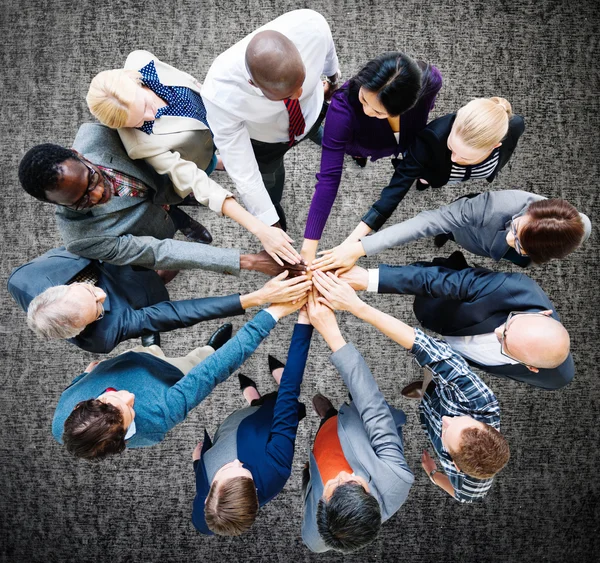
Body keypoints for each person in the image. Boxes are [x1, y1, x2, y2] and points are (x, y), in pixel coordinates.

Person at [86, 50, 300, 267]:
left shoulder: (141, 61)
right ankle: (188, 207)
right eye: (137, 122)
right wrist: (260, 229)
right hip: (192, 158)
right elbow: (198, 182)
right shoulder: (140, 145)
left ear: (136, 81)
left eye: (145, 106)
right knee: (197, 178)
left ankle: (216, 162)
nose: (150, 117)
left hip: (211, 126)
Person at [310, 271, 510, 503]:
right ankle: (426, 388)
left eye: (447, 431)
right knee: (434, 371)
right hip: (444, 390)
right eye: (459, 419)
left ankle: (425, 393)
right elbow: (429, 349)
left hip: (430, 415)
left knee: (430, 404)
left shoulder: (473, 487)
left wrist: (434, 474)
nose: (448, 419)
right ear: (486, 426)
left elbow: (460, 494)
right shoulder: (481, 402)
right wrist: (357, 306)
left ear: (455, 464)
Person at [18, 125, 305, 276]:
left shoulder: (99, 134)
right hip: (153, 227)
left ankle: (184, 214)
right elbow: (158, 252)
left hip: (167, 183)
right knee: (173, 227)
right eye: (80, 201)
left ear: (78, 154)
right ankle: (185, 224)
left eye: (91, 180)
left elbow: (163, 150)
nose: (97, 195)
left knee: (182, 198)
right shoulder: (79, 238)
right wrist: (251, 261)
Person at [53, 298, 306, 460]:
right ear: (121, 439)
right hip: (168, 375)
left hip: (128, 360)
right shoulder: (161, 415)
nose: (129, 395)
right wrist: (271, 314)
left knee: (145, 351)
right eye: (131, 410)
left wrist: (86, 374)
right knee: (198, 363)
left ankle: (152, 348)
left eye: (113, 397)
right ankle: (208, 349)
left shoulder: (62, 421)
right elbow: (211, 372)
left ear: (78, 406)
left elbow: (75, 385)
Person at [8, 246, 311, 354]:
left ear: (62, 288)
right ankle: (149, 311)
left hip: (106, 253)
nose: (101, 295)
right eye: (98, 309)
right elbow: (175, 313)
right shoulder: (102, 336)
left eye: (88, 290)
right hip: (136, 301)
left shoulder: (22, 279)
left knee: (165, 250)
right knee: (158, 289)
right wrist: (256, 297)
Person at [337, 254, 573, 390]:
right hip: (441, 307)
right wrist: (368, 279)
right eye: (509, 323)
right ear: (543, 315)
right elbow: (441, 281)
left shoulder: (553, 379)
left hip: (458, 348)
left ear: (531, 367)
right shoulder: (515, 289)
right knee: (429, 292)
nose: (498, 331)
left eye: (505, 342)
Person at [201, 9, 341, 232]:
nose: (299, 95)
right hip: (266, 142)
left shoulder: (311, 26)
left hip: (311, 114)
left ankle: (330, 141)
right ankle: (276, 205)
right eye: (287, 95)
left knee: (320, 131)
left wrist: (333, 81)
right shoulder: (220, 95)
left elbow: (329, 54)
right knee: (272, 180)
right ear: (253, 84)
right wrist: (270, 224)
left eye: (302, 82)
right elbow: (244, 170)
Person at [301, 52, 442, 263]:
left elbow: (427, 108)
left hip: (407, 143)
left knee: (419, 164)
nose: (367, 111)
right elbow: (328, 180)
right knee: (357, 152)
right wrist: (308, 248)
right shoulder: (342, 109)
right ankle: (361, 156)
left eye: (378, 112)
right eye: (364, 98)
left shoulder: (430, 81)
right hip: (360, 144)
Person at [301, 290, 414, 553]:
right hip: (362, 426)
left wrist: (308, 477)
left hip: (322, 452)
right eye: (352, 482)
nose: (342, 475)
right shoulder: (397, 479)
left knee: (326, 428)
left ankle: (327, 418)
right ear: (370, 494)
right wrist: (332, 334)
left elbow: (306, 498)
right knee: (360, 402)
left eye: (331, 488)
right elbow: (373, 408)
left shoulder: (313, 537)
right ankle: (334, 414)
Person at [338, 97, 525, 246]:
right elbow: (395, 189)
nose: (454, 159)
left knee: (438, 176)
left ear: (495, 146)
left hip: (449, 175)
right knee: (427, 177)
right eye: (451, 147)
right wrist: (352, 240)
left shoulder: (514, 126)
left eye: (465, 158)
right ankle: (425, 180)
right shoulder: (431, 139)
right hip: (434, 169)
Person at [191, 309, 313, 536]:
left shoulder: (204, 516)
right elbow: (289, 394)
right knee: (281, 400)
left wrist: (198, 464)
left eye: (228, 470)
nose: (238, 463)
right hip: (269, 421)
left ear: (208, 497)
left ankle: (253, 401)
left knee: (246, 413)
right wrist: (305, 322)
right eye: (245, 472)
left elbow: (204, 522)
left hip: (231, 429)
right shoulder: (275, 471)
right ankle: (263, 397)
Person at [312, 190, 591, 271]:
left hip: (504, 252)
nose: (509, 237)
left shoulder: (570, 233)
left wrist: (518, 252)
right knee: (445, 230)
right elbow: (427, 221)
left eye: (519, 243)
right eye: (516, 228)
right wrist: (361, 248)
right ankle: (449, 237)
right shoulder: (493, 206)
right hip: (468, 230)